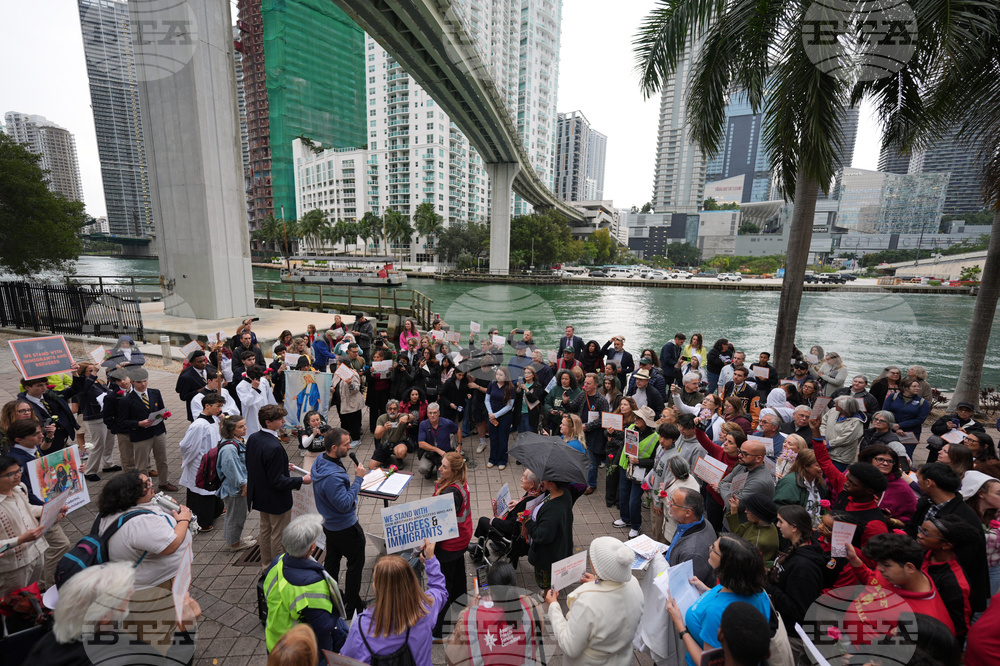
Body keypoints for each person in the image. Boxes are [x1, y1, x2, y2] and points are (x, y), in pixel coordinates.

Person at [25, 561, 202, 665]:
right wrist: (185, 632)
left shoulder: (51, 638)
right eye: (124, 593)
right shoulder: (119, 656)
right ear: (104, 617)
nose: (132, 593)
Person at [666, 535, 771, 666]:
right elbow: (727, 597)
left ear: (726, 564)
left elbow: (709, 663)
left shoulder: (715, 614)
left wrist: (680, 626)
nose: (709, 548)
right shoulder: (757, 591)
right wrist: (707, 590)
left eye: (714, 548)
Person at [341, 538, 446, 666]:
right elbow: (439, 590)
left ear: (377, 587)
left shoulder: (362, 626)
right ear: (411, 581)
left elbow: (347, 661)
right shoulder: (425, 609)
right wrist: (430, 559)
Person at [544, 536, 644, 666]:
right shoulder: (634, 583)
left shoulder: (588, 603)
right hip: (623, 659)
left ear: (593, 565)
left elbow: (570, 647)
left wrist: (553, 606)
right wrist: (600, 581)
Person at [905, 462, 990, 614]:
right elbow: (911, 529)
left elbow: (963, 562)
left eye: (919, 479)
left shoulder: (964, 519)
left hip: (948, 594)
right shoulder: (926, 503)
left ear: (929, 483)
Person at [264, 515, 350, 661]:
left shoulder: (277, 562)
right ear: (312, 547)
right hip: (302, 650)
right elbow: (323, 628)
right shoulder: (311, 585)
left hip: (276, 642)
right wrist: (337, 608)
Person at [840, 535, 955, 639]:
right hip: (846, 632)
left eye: (885, 565)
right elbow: (873, 581)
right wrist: (855, 561)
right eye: (878, 563)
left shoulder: (927, 619)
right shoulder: (892, 574)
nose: (879, 568)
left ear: (909, 568)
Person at [96, 470, 193, 587]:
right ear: (131, 494)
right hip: (156, 585)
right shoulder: (140, 523)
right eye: (146, 485)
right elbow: (171, 545)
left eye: (149, 481)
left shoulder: (109, 511)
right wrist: (184, 520)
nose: (152, 485)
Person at [247, 404, 312, 571]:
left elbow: (257, 464)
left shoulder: (254, 438)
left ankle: (266, 565)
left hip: (260, 495)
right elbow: (278, 482)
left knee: (265, 531)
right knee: (278, 535)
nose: (284, 421)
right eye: (280, 419)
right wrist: (301, 481)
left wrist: (283, 466)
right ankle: (278, 568)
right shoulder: (274, 446)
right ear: (268, 422)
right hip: (276, 499)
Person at [312, 427, 367, 619]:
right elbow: (344, 504)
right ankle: (352, 605)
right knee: (355, 564)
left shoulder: (321, 460)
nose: (349, 446)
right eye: (346, 444)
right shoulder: (333, 477)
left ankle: (331, 597)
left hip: (330, 525)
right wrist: (358, 479)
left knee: (332, 562)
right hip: (346, 527)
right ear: (334, 447)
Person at [445, 560, 545, 665]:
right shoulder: (531, 607)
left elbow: (453, 658)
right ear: (516, 585)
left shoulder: (470, 621)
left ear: (490, 591)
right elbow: (535, 642)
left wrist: (471, 610)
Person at [0, 453, 62, 595]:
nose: (18, 476)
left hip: (36, 551)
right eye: (11, 474)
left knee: (33, 593)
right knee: (14, 602)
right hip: (13, 565)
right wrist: (20, 540)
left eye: (18, 471)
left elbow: (28, 508)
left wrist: (53, 509)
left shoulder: (19, 488)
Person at [768, 505, 826, 655]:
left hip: (792, 635)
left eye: (781, 521)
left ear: (794, 528)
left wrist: (769, 587)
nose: (777, 525)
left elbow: (799, 609)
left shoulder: (804, 568)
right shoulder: (795, 546)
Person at [432, 452, 474, 638]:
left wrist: (429, 547)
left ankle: (439, 630)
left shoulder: (450, 492)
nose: (440, 469)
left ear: (454, 470)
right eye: (441, 465)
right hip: (460, 540)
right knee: (457, 575)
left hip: (450, 544)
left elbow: (440, 525)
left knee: (443, 586)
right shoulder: (459, 483)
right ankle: (461, 607)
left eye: (444, 467)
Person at [916, 514, 976, 640]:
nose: (919, 535)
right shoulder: (922, 554)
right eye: (920, 530)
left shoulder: (955, 582)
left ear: (947, 545)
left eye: (926, 533)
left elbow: (959, 625)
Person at [469, 467, 543, 568]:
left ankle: (480, 552)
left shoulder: (526, 502)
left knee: (483, 521)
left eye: (524, 478)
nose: (521, 479)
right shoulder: (538, 494)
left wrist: (494, 521)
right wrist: (518, 503)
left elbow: (511, 526)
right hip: (522, 539)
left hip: (511, 540)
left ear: (532, 484)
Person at [117, 367, 175, 491]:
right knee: (142, 464)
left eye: (145, 381)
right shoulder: (126, 400)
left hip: (158, 432)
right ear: (132, 382)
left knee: (162, 459)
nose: (143, 384)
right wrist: (138, 423)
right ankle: (145, 486)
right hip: (141, 435)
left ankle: (164, 482)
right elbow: (122, 421)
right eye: (139, 382)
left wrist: (164, 415)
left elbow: (161, 408)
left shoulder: (155, 392)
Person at [177, 392, 226, 530]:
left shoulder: (214, 419)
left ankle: (215, 512)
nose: (220, 409)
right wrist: (187, 460)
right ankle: (202, 521)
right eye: (218, 406)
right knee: (201, 492)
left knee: (212, 489)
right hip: (200, 463)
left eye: (221, 406)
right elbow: (186, 445)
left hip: (212, 461)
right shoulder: (199, 425)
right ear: (207, 406)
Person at [613, 405, 659, 538]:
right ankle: (625, 518)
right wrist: (616, 463)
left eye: (639, 417)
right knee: (623, 494)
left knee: (634, 500)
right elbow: (622, 446)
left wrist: (639, 461)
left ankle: (635, 526)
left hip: (640, 473)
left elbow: (654, 461)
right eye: (636, 416)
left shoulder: (655, 438)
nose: (635, 419)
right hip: (625, 467)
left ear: (647, 421)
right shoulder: (631, 427)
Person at [19, 368, 85, 453]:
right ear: (27, 387)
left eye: (45, 384)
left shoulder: (50, 395)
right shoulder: (23, 404)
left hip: (61, 436)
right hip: (41, 440)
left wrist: (75, 373)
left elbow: (73, 390)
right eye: (39, 385)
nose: (44, 388)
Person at [566, 373, 611, 495]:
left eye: (588, 383)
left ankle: (591, 484)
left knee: (592, 461)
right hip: (580, 432)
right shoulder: (582, 395)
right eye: (585, 383)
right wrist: (566, 402)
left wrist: (588, 426)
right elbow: (572, 407)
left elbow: (604, 419)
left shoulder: (601, 400)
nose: (585, 385)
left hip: (594, 435)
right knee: (579, 456)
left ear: (596, 385)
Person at [217, 414, 255, 552]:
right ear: (231, 430)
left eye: (244, 425)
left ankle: (234, 539)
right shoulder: (230, 448)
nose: (245, 428)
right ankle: (234, 544)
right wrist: (243, 485)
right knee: (236, 516)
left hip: (235, 487)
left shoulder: (235, 441)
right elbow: (231, 470)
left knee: (234, 515)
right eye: (241, 426)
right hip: (234, 489)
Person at [666, 487, 719, 585]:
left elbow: (683, 586)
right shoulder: (701, 521)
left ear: (688, 512)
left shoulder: (693, 553)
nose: (669, 504)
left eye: (673, 502)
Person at [78, 362, 119, 480]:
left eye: (93, 370)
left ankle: (108, 464)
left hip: (106, 415)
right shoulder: (81, 384)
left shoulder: (98, 381)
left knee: (109, 441)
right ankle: (90, 471)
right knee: (98, 444)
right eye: (89, 371)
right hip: (94, 417)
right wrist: (94, 373)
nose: (93, 372)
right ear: (82, 373)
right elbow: (85, 389)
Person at [717, 440, 774, 524]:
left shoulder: (759, 482)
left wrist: (727, 487)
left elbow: (731, 505)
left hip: (742, 528)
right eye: (739, 451)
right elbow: (722, 482)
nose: (739, 455)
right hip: (730, 522)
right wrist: (728, 488)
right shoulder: (743, 465)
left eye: (744, 454)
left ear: (758, 458)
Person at [859, 444, 917, 523]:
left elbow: (912, 520)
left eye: (890, 461)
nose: (886, 463)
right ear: (869, 460)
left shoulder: (901, 487)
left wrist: (891, 521)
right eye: (880, 459)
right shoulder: (853, 475)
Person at [725, 493, 779, 564]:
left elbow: (744, 562)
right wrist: (734, 509)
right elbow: (738, 532)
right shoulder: (760, 523)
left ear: (758, 514)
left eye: (749, 510)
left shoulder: (758, 542)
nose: (745, 511)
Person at [883, 379, 931, 457]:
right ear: (905, 387)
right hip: (891, 430)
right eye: (914, 386)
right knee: (887, 453)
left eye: (918, 386)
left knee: (905, 456)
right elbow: (885, 413)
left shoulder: (923, 402)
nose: (917, 388)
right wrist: (894, 426)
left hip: (910, 433)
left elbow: (920, 419)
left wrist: (900, 425)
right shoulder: (893, 397)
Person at [418, 402, 462, 480]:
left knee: (442, 479)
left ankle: (440, 468)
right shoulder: (423, 424)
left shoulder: (447, 423)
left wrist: (459, 445)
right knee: (422, 468)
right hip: (430, 454)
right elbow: (421, 444)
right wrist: (437, 450)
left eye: (434, 413)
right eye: (430, 413)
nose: (432, 415)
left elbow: (458, 429)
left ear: (439, 413)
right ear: (427, 414)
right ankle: (430, 470)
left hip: (445, 454)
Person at [821, 395, 865, 471]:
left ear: (845, 408)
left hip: (840, 457)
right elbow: (823, 422)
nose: (835, 405)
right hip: (825, 452)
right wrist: (823, 437)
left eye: (837, 404)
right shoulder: (833, 411)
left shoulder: (856, 422)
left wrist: (828, 444)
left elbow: (846, 438)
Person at [484, 367, 515, 469]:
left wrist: (496, 415)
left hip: (505, 417)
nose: (498, 376)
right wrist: (490, 413)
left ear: (506, 376)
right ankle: (492, 458)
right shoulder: (492, 384)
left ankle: (502, 459)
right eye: (497, 374)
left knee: (503, 438)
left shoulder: (510, 387)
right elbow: (487, 400)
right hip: (492, 416)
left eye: (501, 375)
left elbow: (509, 406)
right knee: (493, 438)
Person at [372, 399, 415, 471]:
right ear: (387, 410)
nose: (392, 411)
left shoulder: (401, 416)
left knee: (401, 452)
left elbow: (412, 417)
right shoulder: (382, 418)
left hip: (398, 443)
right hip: (384, 444)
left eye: (395, 409)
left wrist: (407, 416)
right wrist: (384, 428)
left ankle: (399, 459)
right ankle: (386, 458)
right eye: (390, 409)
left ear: (398, 409)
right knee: (372, 466)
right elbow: (377, 436)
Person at [332, 353, 364, 447]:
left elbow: (356, 389)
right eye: (337, 364)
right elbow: (334, 384)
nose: (337, 366)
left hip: (351, 403)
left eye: (339, 364)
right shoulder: (337, 374)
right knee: (344, 421)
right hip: (341, 402)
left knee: (353, 422)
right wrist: (332, 388)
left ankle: (356, 439)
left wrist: (351, 384)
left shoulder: (353, 374)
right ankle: (345, 439)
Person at [175, 350, 211, 421]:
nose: (203, 363)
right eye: (199, 362)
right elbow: (183, 396)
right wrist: (199, 391)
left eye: (204, 360)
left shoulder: (211, 369)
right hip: (198, 409)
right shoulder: (186, 377)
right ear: (191, 363)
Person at [543, 370, 578, 434]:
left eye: (566, 379)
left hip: (570, 423)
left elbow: (578, 408)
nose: (564, 381)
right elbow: (547, 402)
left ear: (571, 380)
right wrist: (550, 410)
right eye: (562, 379)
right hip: (556, 422)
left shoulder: (576, 391)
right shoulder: (555, 389)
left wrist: (566, 413)